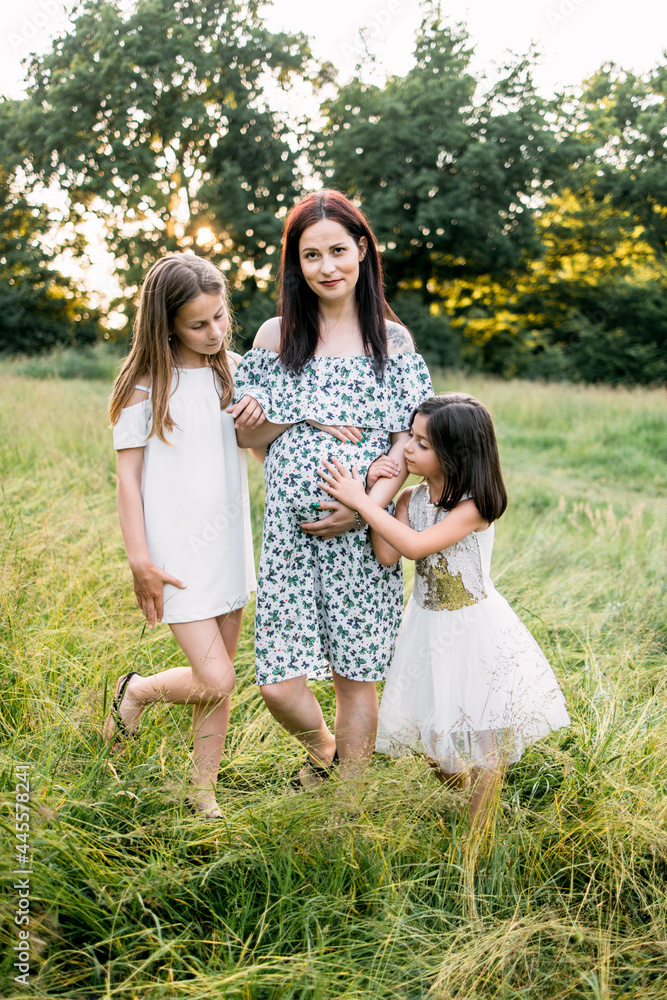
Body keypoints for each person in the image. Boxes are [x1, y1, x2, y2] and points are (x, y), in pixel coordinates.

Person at [229, 189, 432, 786]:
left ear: (363, 250)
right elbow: (250, 437)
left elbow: (407, 445)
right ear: (296, 263)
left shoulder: (392, 344)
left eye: (338, 250)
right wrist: (299, 417)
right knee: (277, 683)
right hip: (290, 542)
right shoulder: (275, 336)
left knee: (354, 675)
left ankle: (349, 804)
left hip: (358, 540)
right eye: (311, 255)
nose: (327, 267)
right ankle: (327, 752)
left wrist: (364, 507)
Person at [318, 393, 571, 825]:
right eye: (410, 438)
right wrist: (376, 493)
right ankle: (469, 801)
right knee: (436, 739)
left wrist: (359, 502)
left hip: (473, 627)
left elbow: (415, 547)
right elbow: (386, 554)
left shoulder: (474, 507)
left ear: (455, 453)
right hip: (426, 626)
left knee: (482, 731)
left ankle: (481, 830)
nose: (408, 449)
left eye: (421, 444)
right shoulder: (410, 500)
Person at [103, 253, 257, 819]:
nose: (215, 333)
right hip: (175, 555)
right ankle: (136, 691)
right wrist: (140, 561)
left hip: (229, 545)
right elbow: (128, 479)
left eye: (220, 317)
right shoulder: (144, 388)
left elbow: (262, 442)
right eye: (199, 324)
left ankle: (202, 791)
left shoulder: (236, 371)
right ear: (166, 323)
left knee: (216, 683)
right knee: (216, 677)